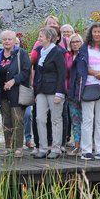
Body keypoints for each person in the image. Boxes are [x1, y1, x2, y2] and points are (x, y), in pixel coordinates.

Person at [70, 22, 100, 160]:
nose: (96, 34)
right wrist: (96, 72)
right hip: (88, 87)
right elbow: (80, 68)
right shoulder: (85, 49)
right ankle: (86, 150)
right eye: (94, 31)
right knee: (88, 119)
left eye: (99, 32)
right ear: (91, 33)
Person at [0, 30, 32, 158]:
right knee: (6, 120)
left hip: (16, 92)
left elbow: (26, 71)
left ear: (14, 40)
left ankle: (18, 147)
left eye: (9, 39)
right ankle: (8, 146)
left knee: (17, 119)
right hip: (3, 93)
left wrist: (13, 80)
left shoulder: (20, 53)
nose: (7, 41)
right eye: (4, 39)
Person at [33, 27, 67, 159]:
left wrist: (59, 93)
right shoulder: (41, 51)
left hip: (54, 90)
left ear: (48, 38)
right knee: (39, 118)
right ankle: (43, 147)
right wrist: (36, 92)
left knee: (56, 119)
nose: (39, 38)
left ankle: (56, 148)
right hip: (41, 90)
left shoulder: (57, 52)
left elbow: (62, 73)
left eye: (41, 36)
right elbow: (38, 72)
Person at [66, 33, 84, 156]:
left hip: (83, 92)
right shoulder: (67, 56)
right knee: (75, 119)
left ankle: (87, 145)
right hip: (71, 91)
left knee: (86, 119)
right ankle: (77, 145)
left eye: (78, 41)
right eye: (73, 42)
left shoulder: (85, 56)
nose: (75, 44)